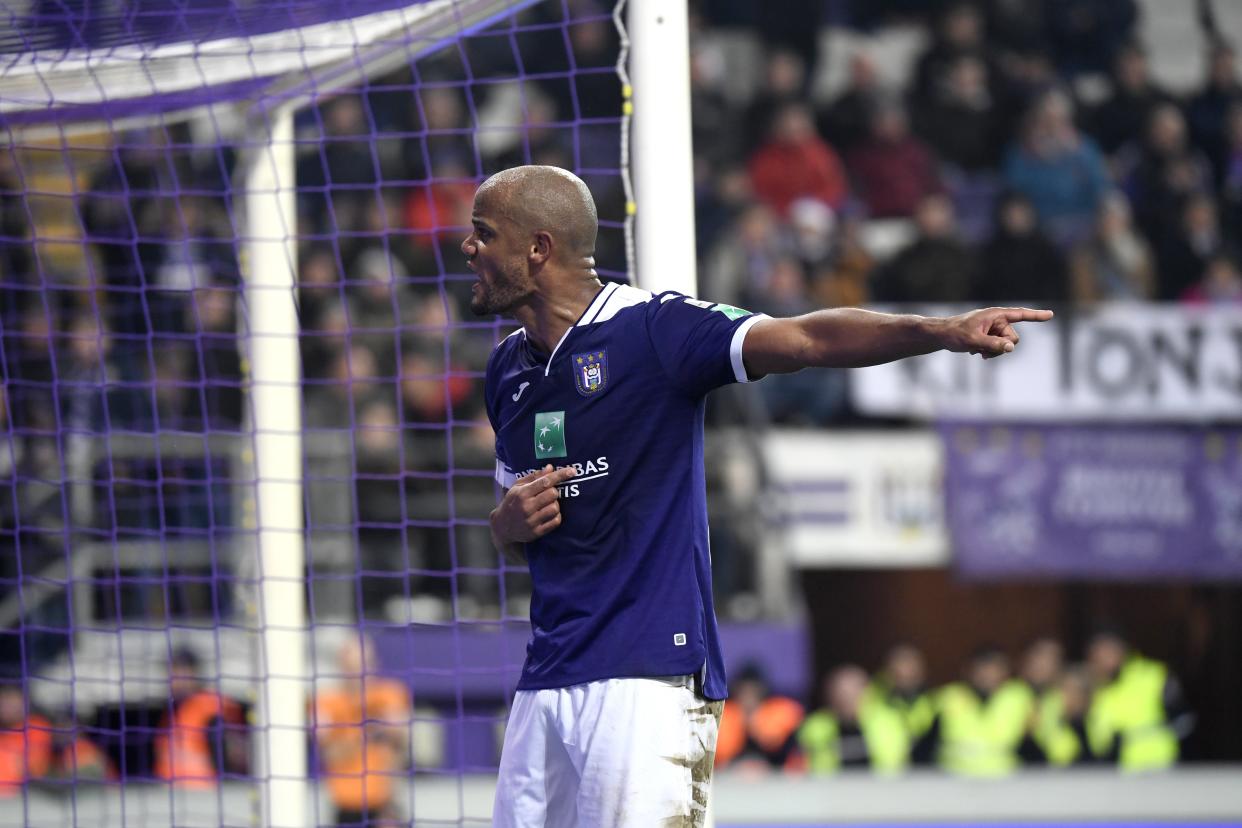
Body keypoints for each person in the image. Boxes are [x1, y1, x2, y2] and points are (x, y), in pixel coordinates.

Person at [468, 165, 1052, 826]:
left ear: (538, 248)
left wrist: (936, 331)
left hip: (646, 679)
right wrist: (506, 524)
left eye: (483, 234)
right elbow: (516, 526)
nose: (468, 249)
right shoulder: (505, 372)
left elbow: (805, 338)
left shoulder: (653, 332)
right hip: (546, 679)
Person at [314, 636, 411, 827]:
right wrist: (367, 732)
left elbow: (400, 743)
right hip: (346, 807)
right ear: (342, 666)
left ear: (374, 664)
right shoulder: (327, 701)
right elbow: (330, 755)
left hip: (385, 806)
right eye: (351, 666)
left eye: (363, 665)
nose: (358, 673)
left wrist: (390, 804)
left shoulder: (390, 694)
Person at [922, 646, 1040, 776]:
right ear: (969, 671)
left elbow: (1034, 741)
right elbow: (927, 740)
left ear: (1005, 672)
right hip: (953, 775)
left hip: (1006, 777)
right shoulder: (949, 697)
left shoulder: (1020, 698)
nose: (987, 675)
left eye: (993, 670)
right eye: (982, 669)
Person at [1085, 627, 1189, 771]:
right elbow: (1098, 743)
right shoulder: (1099, 691)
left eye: (1106, 652)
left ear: (1121, 649)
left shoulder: (1153, 675)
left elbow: (1184, 721)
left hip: (1162, 765)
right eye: (1097, 655)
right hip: (1124, 772)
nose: (1102, 660)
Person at [153, 647, 247, 787]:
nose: (177, 680)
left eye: (182, 672)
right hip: (171, 795)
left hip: (206, 795)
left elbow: (234, 755)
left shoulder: (210, 708)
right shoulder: (171, 712)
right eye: (173, 672)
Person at [798, 665, 908, 774]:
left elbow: (895, 763)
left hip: (881, 789)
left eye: (852, 694)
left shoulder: (889, 721)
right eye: (841, 694)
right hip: (829, 789)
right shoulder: (815, 726)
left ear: (867, 693)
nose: (846, 700)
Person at [714, 665, 803, 772]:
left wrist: (756, 723)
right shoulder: (723, 715)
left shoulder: (779, 712)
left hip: (775, 779)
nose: (748, 696)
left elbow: (781, 751)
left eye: (754, 690)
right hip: (730, 778)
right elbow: (720, 757)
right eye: (744, 691)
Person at [864, 643, 935, 748]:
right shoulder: (870, 702)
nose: (906, 673)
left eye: (912, 668)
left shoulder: (935, 702)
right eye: (901, 666)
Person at [0, 683, 52, 797]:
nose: (6, 706)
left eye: (12, 701)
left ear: (25, 703)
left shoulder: (36, 726)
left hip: (27, 795)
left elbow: (34, 768)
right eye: (3, 701)